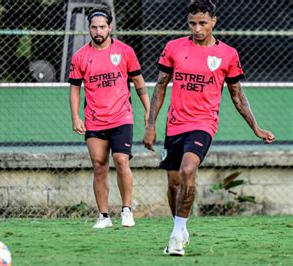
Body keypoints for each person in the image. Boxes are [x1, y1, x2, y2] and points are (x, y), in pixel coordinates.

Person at [142, 0, 275, 256]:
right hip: (175, 124)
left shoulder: (228, 55)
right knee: (173, 183)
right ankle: (179, 227)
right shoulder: (174, 48)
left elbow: (237, 95)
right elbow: (159, 87)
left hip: (204, 123)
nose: (197, 29)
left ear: (214, 21)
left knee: (188, 170)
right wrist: (151, 125)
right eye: (192, 23)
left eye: (203, 23)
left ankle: (175, 238)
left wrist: (256, 128)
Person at [69, 8, 150, 229]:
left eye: (102, 27)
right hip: (94, 120)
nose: (98, 31)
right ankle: (104, 216)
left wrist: (148, 110)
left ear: (110, 28)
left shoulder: (125, 52)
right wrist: (75, 117)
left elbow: (139, 82)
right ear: (89, 29)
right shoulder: (80, 57)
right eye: (94, 27)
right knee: (99, 165)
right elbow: (75, 89)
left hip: (121, 118)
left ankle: (126, 210)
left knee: (122, 160)